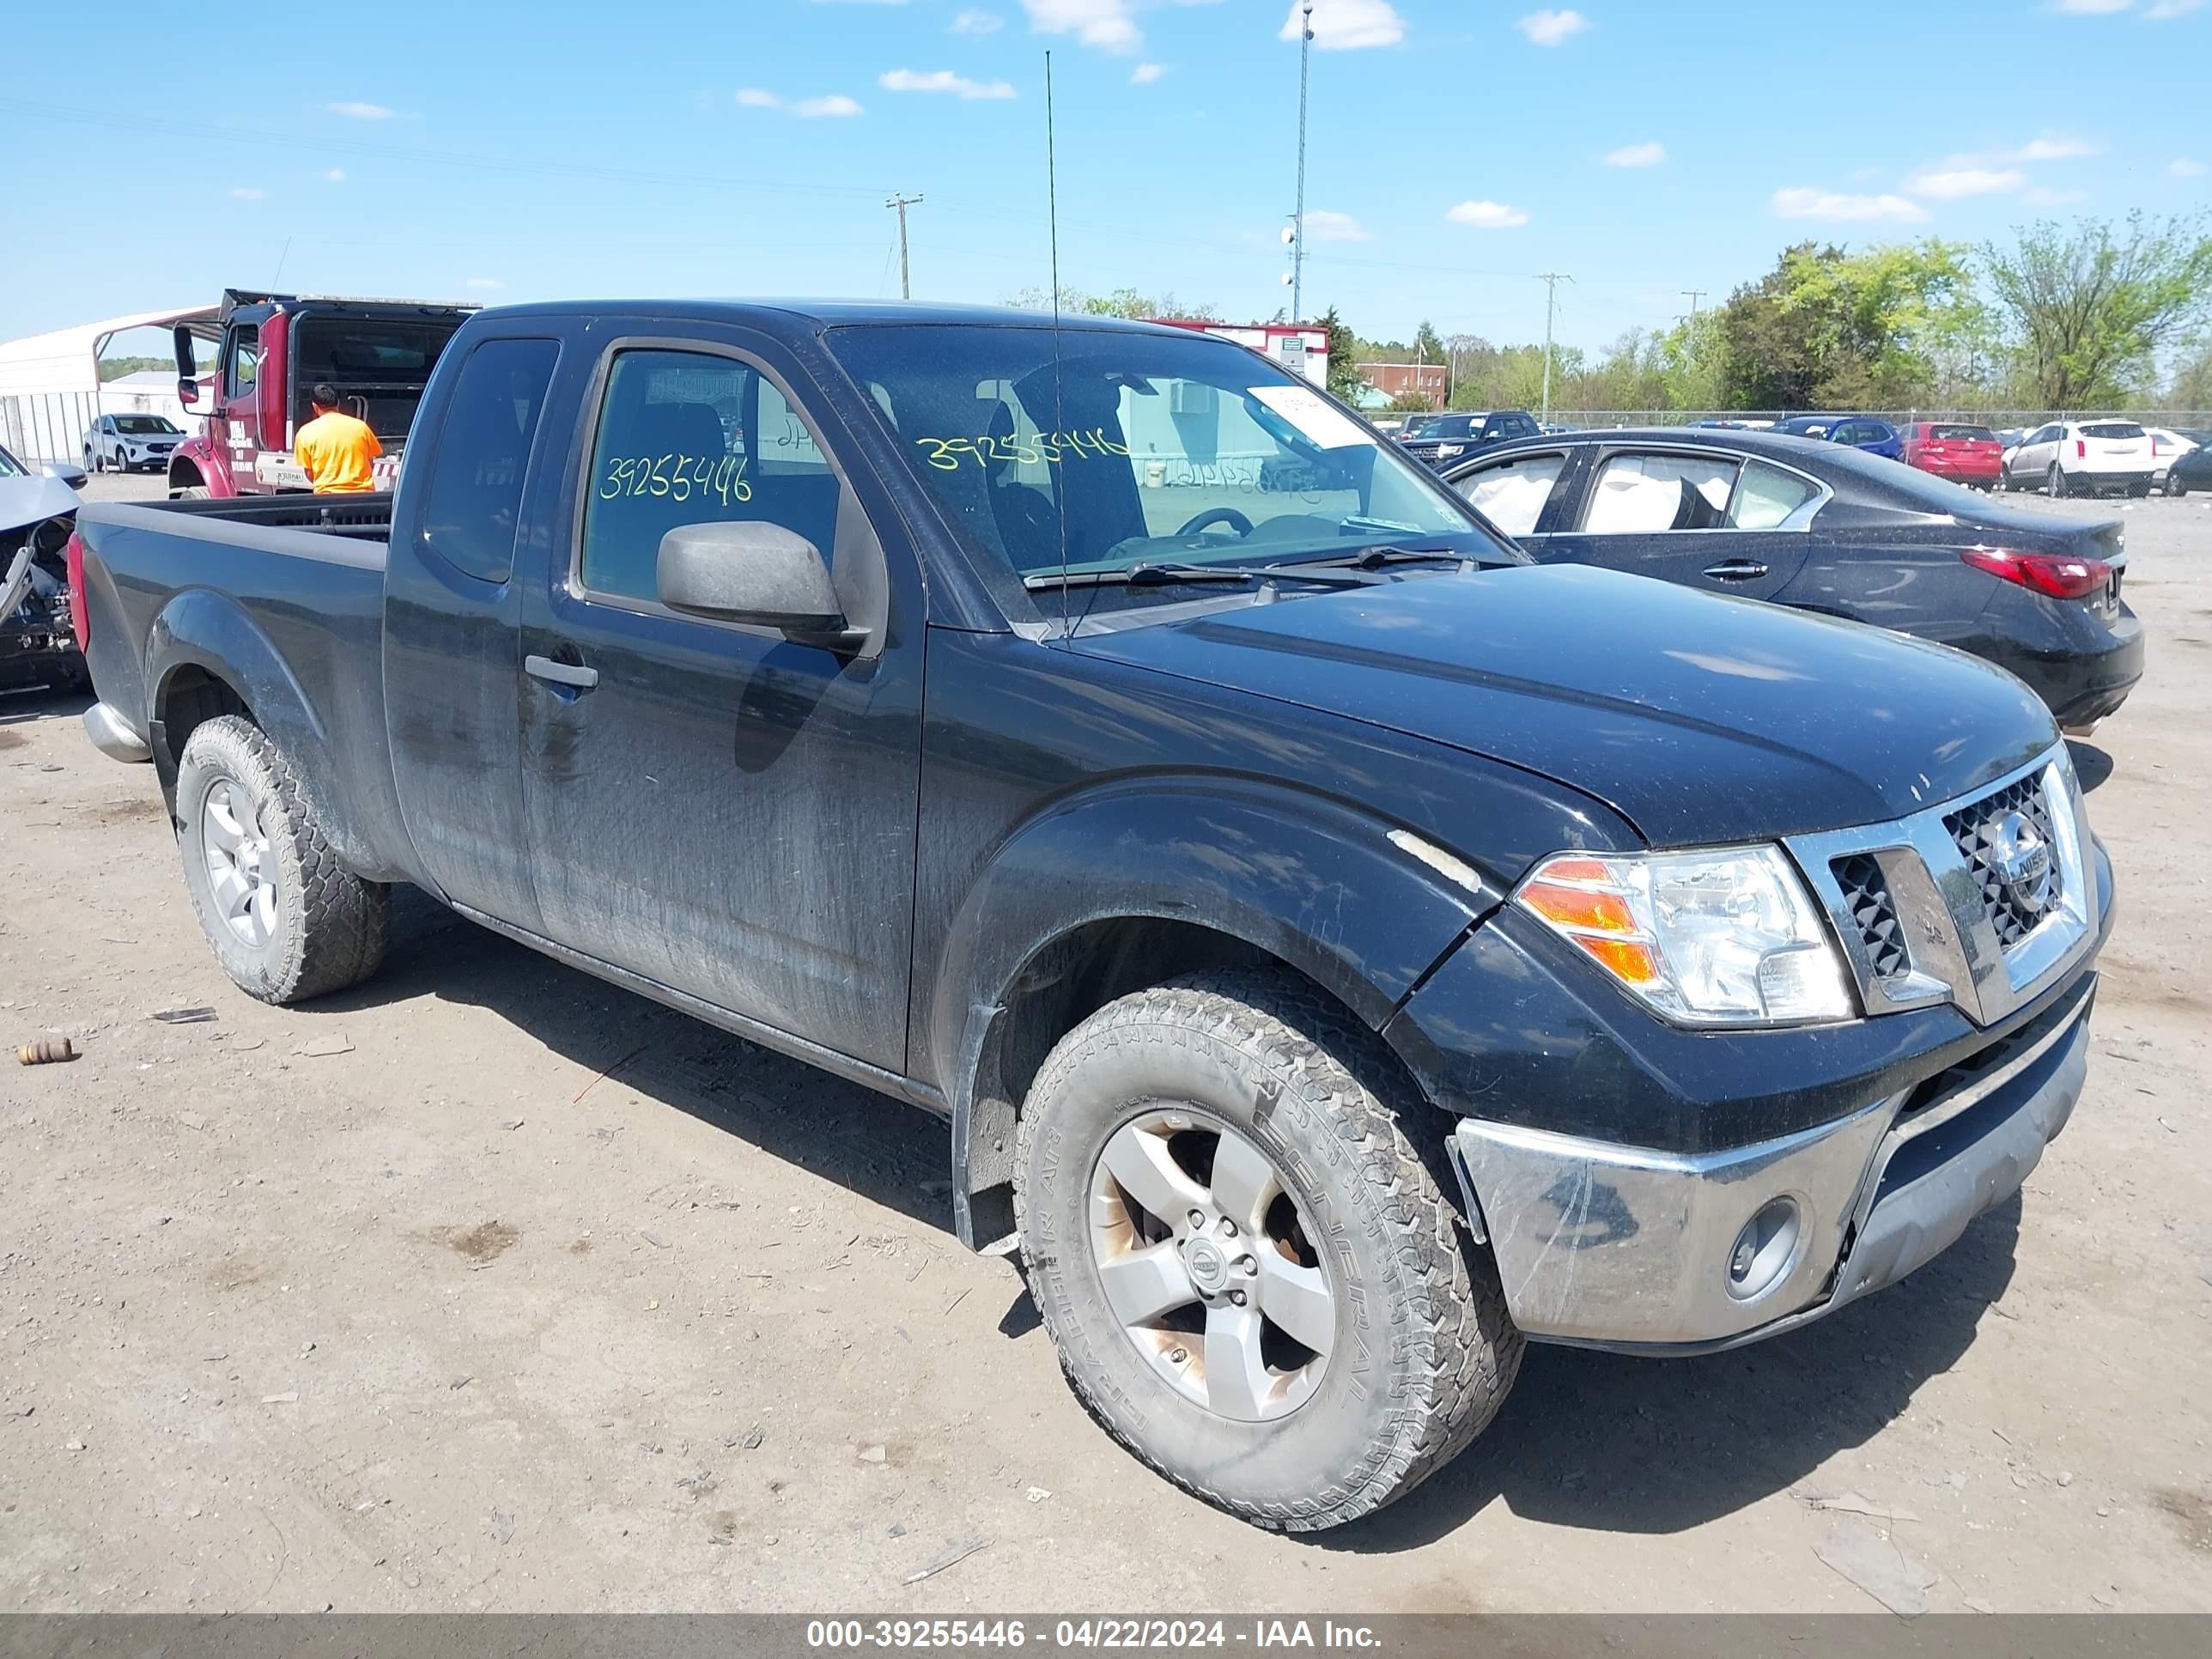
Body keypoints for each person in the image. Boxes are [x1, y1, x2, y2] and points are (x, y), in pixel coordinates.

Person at [294, 381, 383, 493]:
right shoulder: (361, 427)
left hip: (327, 496)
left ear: (315, 407)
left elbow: (309, 473)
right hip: (363, 496)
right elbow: (370, 462)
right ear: (338, 403)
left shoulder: (305, 433)